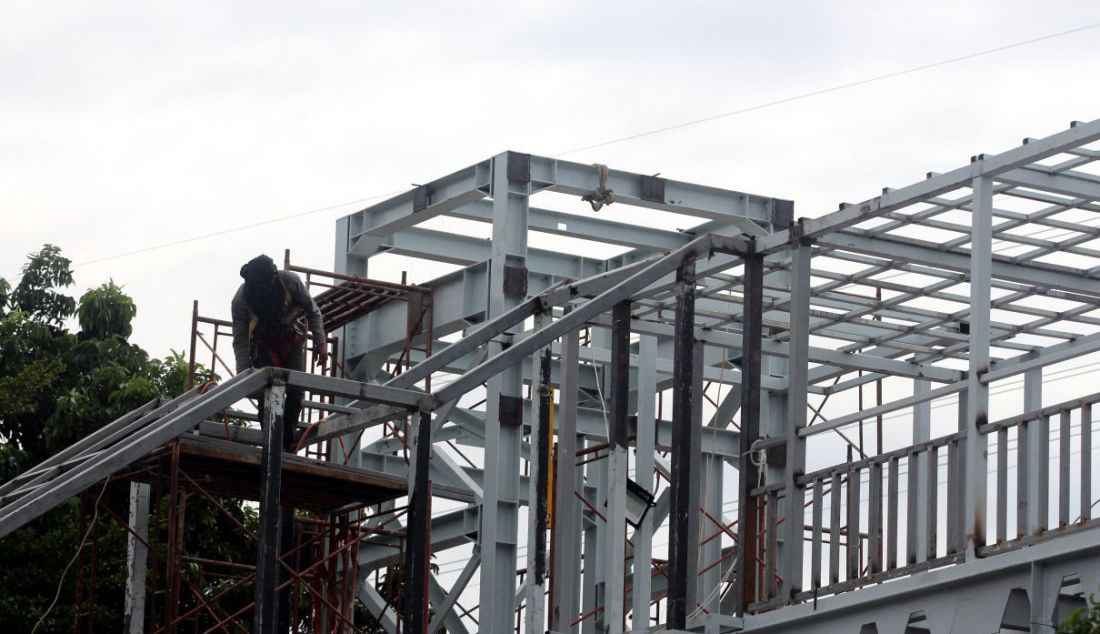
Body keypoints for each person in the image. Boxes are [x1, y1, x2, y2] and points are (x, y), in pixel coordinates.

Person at [231, 253, 327, 438]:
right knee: (265, 390)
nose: (264, 289)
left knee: (295, 389)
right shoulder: (241, 300)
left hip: (291, 341)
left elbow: (312, 311)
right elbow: (240, 341)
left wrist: (320, 342)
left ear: (273, 278)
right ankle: (270, 440)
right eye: (260, 286)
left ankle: (286, 444)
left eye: (267, 284)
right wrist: (244, 376)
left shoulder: (290, 282)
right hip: (264, 345)